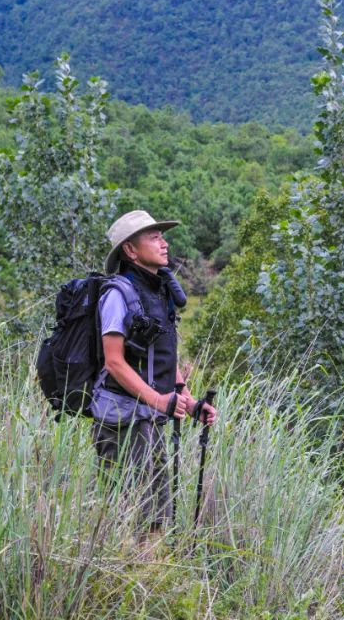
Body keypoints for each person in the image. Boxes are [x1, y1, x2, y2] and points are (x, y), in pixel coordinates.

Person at [93, 209, 218, 544]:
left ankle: (149, 579)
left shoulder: (158, 292)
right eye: (154, 237)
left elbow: (161, 356)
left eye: (162, 236)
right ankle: (126, 584)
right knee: (130, 517)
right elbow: (115, 362)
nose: (164, 243)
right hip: (121, 420)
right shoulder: (118, 295)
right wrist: (161, 401)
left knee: (155, 517)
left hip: (147, 418)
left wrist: (189, 402)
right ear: (131, 251)